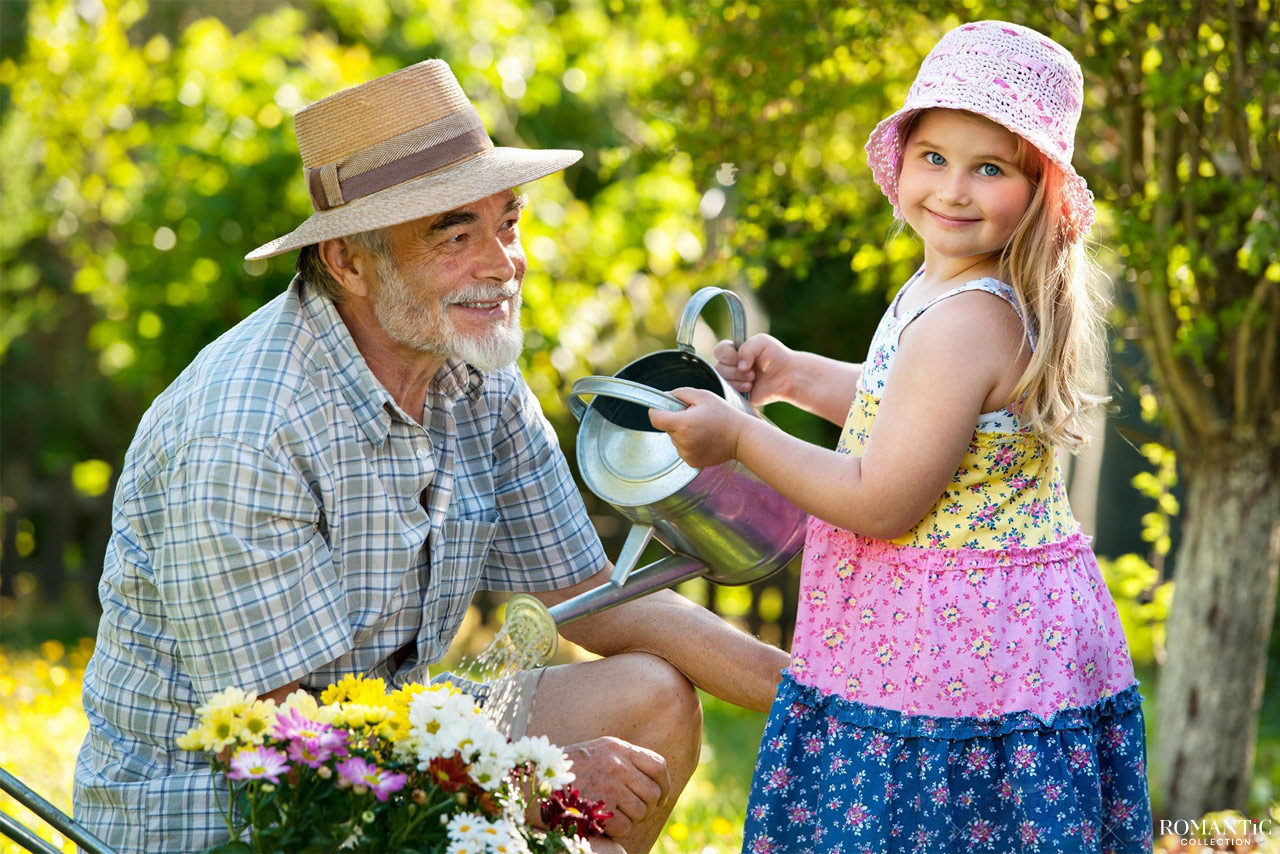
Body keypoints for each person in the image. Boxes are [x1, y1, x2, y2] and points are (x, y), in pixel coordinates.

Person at [73, 59, 788, 854]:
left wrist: (828, 699)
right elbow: (284, 743)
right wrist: (528, 780)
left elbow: (597, 595)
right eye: (456, 235)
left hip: (392, 737)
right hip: (219, 805)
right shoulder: (246, 430)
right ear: (349, 262)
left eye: (507, 223)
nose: (503, 263)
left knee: (651, 698)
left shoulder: (472, 374)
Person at [650, 20, 1153, 854]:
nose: (953, 190)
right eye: (935, 159)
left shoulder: (970, 319)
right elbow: (916, 415)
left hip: (962, 649)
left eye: (989, 168)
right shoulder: (947, 283)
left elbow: (881, 497)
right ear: (905, 160)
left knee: (930, 824)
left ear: (1038, 192)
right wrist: (796, 377)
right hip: (961, 630)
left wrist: (741, 438)